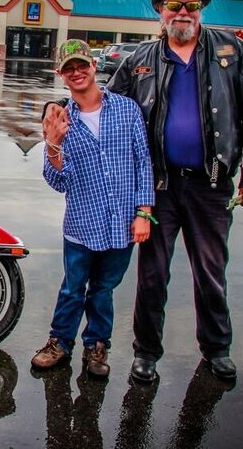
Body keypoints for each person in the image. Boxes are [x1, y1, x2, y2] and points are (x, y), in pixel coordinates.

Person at [45, 0, 243, 382]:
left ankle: (217, 349)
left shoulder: (230, 51)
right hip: (160, 185)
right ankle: (146, 353)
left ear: (201, 8)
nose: (182, 12)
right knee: (152, 275)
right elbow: (98, 100)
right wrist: (55, 110)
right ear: (160, 10)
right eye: (174, 5)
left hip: (211, 183)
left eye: (191, 5)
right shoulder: (141, 60)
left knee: (211, 271)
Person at [31, 39, 154, 378]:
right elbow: (59, 181)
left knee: (103, 289)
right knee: (73, 288)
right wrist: (53, 144)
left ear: (94, 66)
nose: (77, 72)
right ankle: (59, 342)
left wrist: (144, 213)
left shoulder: (127, 110)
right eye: (68, 68)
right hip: (82, 224)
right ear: (60, 74)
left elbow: (143, 162)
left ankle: (96, 346)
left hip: (122, 223)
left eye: (81, 65)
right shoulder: (60, 120)